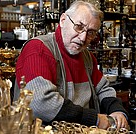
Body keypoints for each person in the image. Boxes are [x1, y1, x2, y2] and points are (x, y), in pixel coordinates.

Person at [15, 0, 129, 130]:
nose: (83, 38)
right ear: (63, 20)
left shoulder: (87, 57)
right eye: (79, 27)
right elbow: (41, 103)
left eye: (91, 32)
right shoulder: (38, 49)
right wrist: (95, 119)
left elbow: (104, 89)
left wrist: (117, 110)